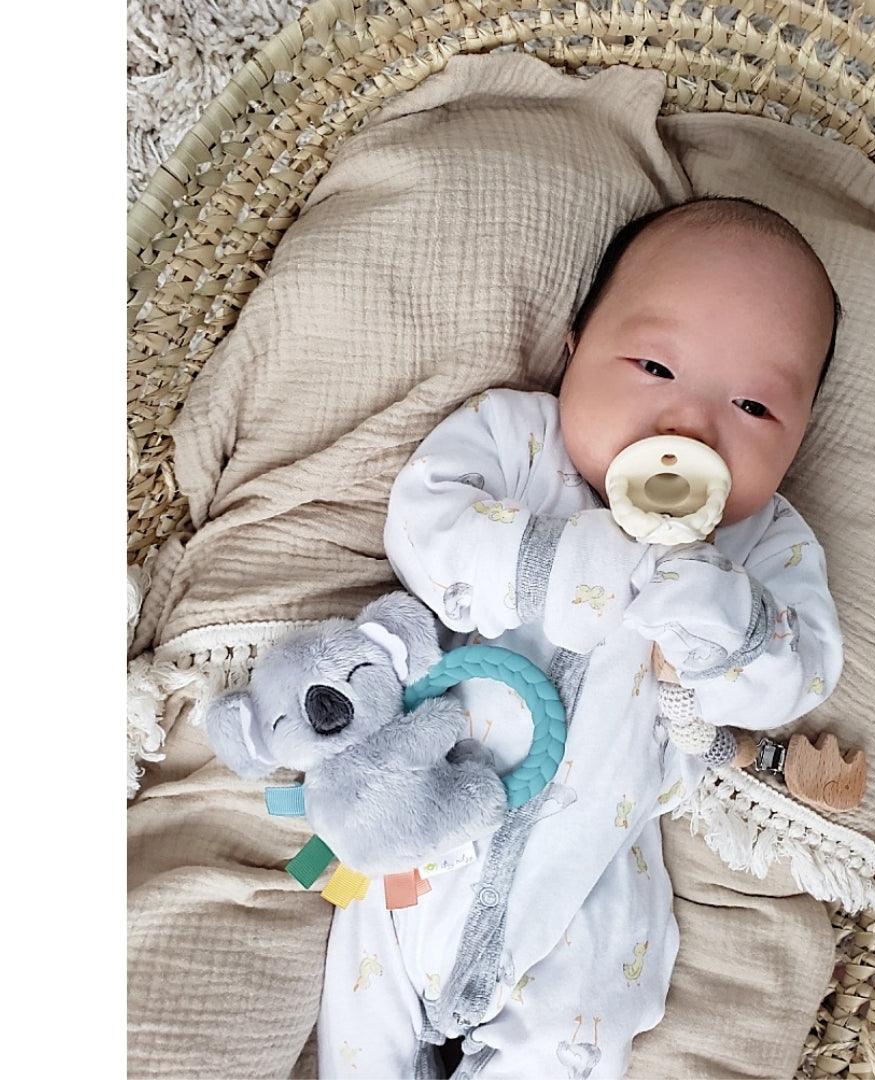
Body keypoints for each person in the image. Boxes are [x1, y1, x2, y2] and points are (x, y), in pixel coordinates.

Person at [317, 196, 845, 1078]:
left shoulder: (764, 545)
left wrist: (716, 618)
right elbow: (423, 527)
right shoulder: (518, 445)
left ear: (797, 443)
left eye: (754, 405)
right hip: (424, 818)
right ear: (574, 351)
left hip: (592, 888)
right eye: (653, 364)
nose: (690, 426)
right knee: (362, 989)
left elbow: (800, 675)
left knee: (592, 1011)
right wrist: (563, 566)